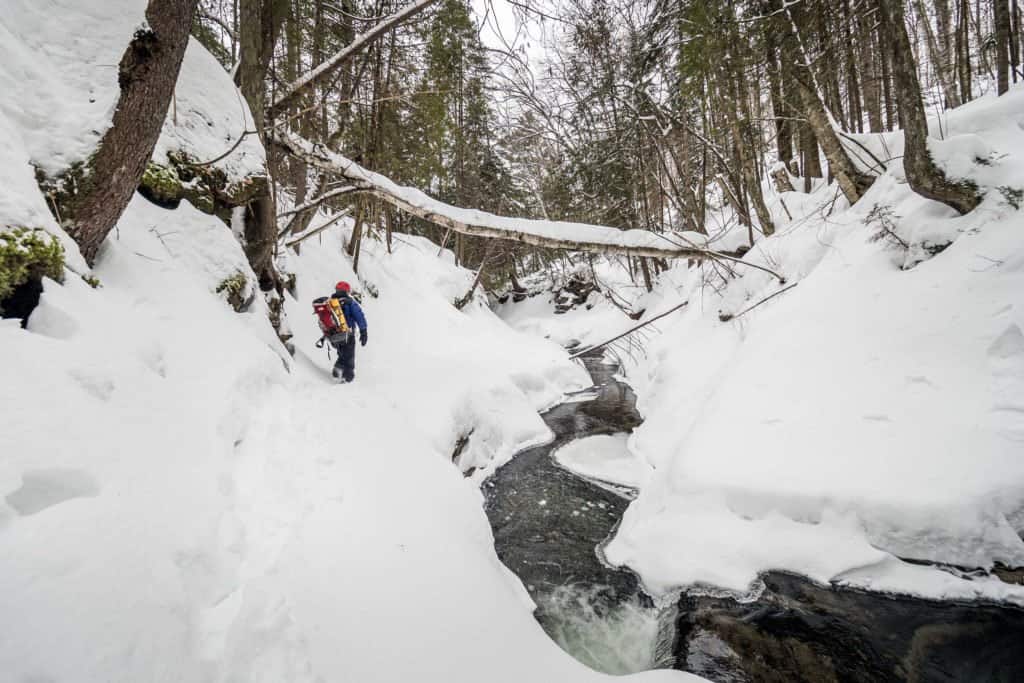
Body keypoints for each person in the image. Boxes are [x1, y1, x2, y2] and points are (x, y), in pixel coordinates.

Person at [328, 281, 367, 383]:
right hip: (348, 334)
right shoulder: (350, 303)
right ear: (347, 291)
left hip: (334, 336)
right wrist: (364, 331)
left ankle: (338, 371)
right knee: (349, 355)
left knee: (342, 353)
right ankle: (347, 376)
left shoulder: (331, 302)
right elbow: (359, 316)